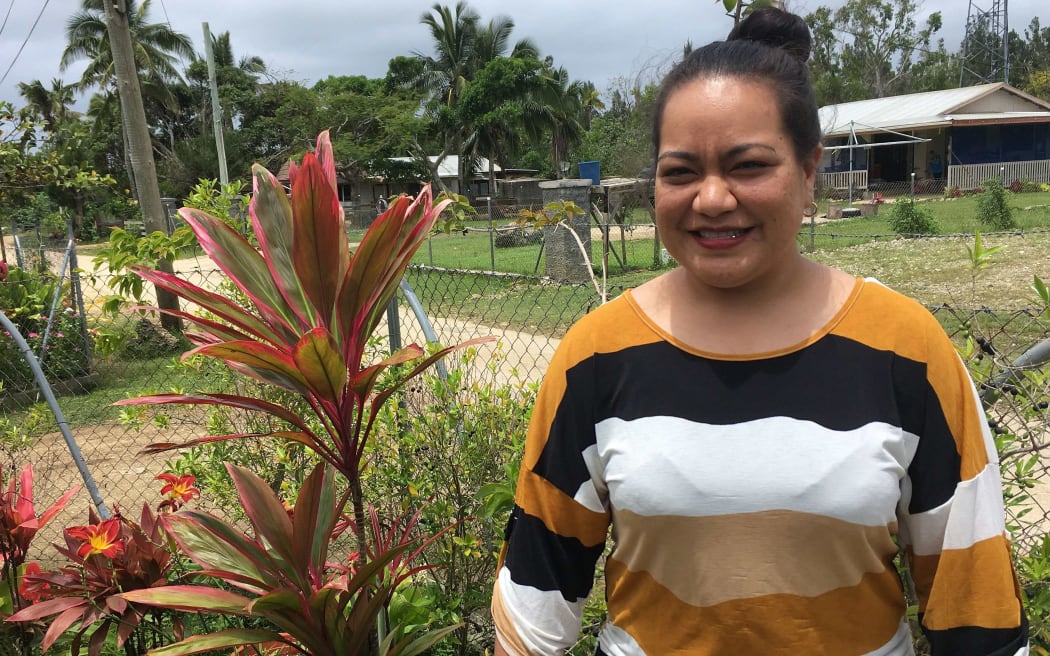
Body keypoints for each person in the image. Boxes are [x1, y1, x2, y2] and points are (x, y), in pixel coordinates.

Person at [491, 8, 1027, 656]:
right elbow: (532, 612)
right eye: (680, 171)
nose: (712, 197)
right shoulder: (597, 357)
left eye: (748, 166)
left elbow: (976, 607)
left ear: (808, 172)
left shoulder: (903, 351)